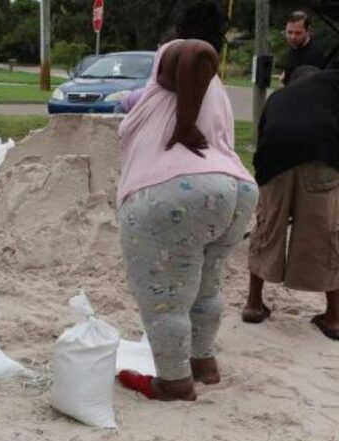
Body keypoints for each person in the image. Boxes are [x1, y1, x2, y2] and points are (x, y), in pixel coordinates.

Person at [115, 1, 258, 401]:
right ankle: (203, 363)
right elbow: (150, 96)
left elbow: (196, 51)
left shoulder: (178, 51)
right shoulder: (216, 90)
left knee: (165, 296)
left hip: (176, 190)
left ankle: (174, 382)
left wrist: (182, 125)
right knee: (206, 287)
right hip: (235, 190)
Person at [242, 65, 339, 341]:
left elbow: (261, 141)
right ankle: (334, 317)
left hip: (275, 161)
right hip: (321, 155)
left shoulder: (278, 98)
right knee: (325, 233)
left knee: (267, 227)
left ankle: (253, 304)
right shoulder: (332, 84)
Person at [281, 11, 326, 86]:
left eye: (298, 33)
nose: (293, 37)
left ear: (308, 31)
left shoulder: (313, 56)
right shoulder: (295, 47)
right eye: (289, 32)